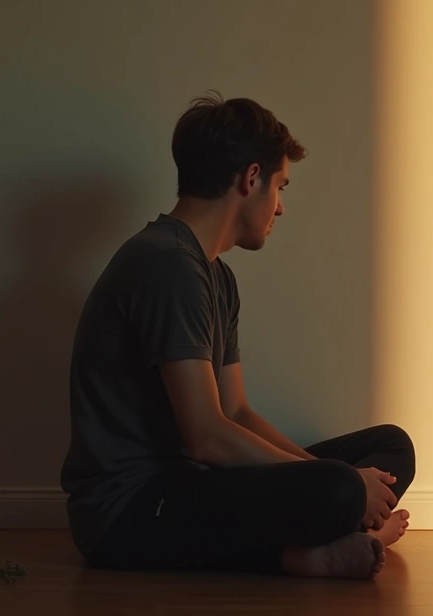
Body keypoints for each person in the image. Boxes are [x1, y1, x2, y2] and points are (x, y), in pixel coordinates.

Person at [60, 92, 413, 580]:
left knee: (392, 447)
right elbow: (206, 435)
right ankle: (300, 552)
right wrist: (340, 484)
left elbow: (237, 411)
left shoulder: (214, 275)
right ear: (251, 178)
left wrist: (336, 476)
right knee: (340, 488)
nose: (281, 208)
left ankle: (317, 543)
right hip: (131, 514)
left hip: (196, 486)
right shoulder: (167, 265)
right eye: (281, 186)